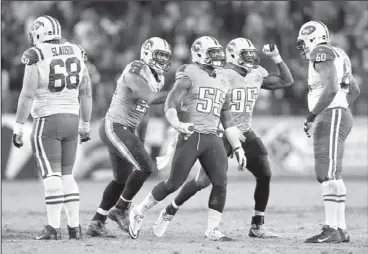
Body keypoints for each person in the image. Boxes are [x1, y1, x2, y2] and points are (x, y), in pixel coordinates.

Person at [153, 38, 294, 239]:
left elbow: (286, 81)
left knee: (265, 173)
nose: (252, 59)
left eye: (253, 54)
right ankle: (170, 209)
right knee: (203, 181)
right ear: (234, 56)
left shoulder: (257, 73)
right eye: (247, 55)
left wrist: (277, 57)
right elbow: (196, 89)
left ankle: (257, 225)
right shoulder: (221, 74)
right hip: (221, 132)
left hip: (245, 131)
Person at [128, 36, 247, 240]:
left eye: (219, 52)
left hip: (212, 136)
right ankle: (139, 211)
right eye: (213, 53)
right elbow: (170, 103)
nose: (218, 57)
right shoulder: (189, 72)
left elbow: (227, 116)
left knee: (220, 182)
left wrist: (237, 147)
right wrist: (177, 124)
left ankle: (212, 229)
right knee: (173, 183)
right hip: (191, 134)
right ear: (200, 53)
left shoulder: (223, 78)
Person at [12, 16, 92, 240]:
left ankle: (52, 227)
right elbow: (86, 91)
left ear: (38, 33)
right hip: (72, 119)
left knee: (52, 175)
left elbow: (27, 95)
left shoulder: (36, 54)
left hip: (48, 119)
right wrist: (85, 123)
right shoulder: (77, 50)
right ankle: (75, 229)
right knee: (67, 175)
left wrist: (18, 126)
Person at [85, 37, 172, 237]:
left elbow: (145, 111)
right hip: (114, 125)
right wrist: (180, 92)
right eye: (159, 55)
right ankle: (121, 209)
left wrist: (140, 139)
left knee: (120, 180)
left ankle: (97, 222)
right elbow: (150, 97)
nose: (162, 59)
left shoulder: (159, 78)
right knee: (146, 166)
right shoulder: (136, 67)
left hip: (127, 128)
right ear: (148, 53)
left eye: (165, 56)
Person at [296, 20, 360, 243]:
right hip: (338, 113)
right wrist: (342, 107)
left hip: (331, 114)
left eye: (303, 41)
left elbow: (332, 87)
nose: (302, 47)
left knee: (325, 173)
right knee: (334, 174)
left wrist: (313, 115)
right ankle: (340, 229)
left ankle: (331, 228)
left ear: (312, 38)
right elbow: (355, 89)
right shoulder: (339, 52)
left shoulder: (321, 52)